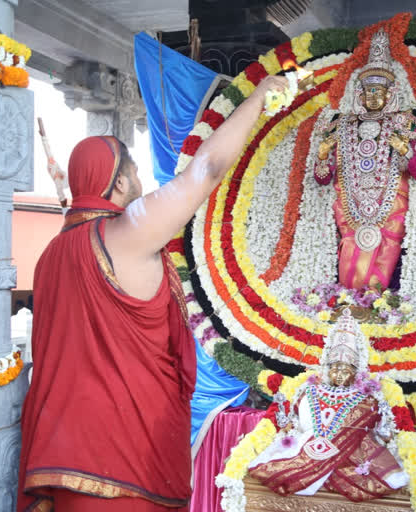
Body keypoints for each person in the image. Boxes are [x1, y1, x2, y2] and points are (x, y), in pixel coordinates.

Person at [17, 75, 287, 511]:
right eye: (133, 169)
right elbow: (207, 170)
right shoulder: (126, 233)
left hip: (62, 456)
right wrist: (257, 98)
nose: (140, 177)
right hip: (124, 458)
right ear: (118, 183)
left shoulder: (51, 254)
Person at [314, 29, 416, 290]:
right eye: (368, 91)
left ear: (390, 92)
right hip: (349, 208)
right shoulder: (340, 123)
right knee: (349, 261)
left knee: (382, 267)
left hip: (392, 208)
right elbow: (322, 178)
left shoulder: (410, 120)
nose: (373, 96)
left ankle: (374, 308)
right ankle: (348, 305)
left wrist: (405, 150)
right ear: (360, 93)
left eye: (378, 90)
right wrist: (323, 154)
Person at [247, 309, 411, 501]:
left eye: (346, 369)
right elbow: (293, 425)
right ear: (327, 368)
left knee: (385, 477)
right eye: (335, 368)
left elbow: (383, 433)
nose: (340, 374)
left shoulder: (370, 398)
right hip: (304, 448)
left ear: (356, 371)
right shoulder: (308, 390)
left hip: (353, 455)